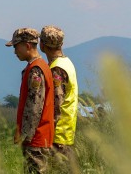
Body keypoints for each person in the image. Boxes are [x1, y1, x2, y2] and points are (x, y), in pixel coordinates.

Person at [6, 27, 55, 173]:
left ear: (27, 45)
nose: (15, 52)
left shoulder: (36, 69)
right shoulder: (39, 66)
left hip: (36, 139)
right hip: (38, 137)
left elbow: (34, 106)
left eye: (16, 47)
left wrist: (25, 136)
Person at [41, 25, 78, 171]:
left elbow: (56, 103)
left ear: (42, 45)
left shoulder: (57, 69)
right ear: (61, 44)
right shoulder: (67, 63)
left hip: (58, 133)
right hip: (66, 129)